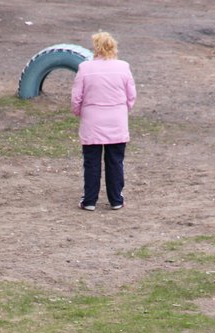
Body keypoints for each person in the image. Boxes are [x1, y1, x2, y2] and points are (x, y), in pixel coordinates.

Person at [71, 31, 136, 211]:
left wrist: (79, 112)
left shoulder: (85, 68)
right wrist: (122, 110)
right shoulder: (123, 67)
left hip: (92, 121)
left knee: (91, 162)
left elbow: (76, 97)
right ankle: (116, 199)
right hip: (117, 121)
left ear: (96, 48)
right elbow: (131, 96)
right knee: (115, 161)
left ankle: (90, 200)